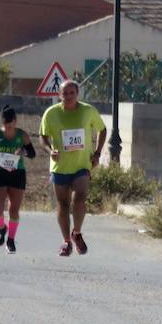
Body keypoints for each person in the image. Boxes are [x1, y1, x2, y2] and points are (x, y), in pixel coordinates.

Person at [40, 80, 107, 256]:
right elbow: (43, 137)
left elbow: (102, 129)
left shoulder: (88, 111)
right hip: (60, 166)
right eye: (65, 93)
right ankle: (66, 242)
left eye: (72, 93)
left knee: (80, 198)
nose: (68, 96)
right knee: (63, 204)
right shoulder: (51, 113)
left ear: (77, 94)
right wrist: (50, 150)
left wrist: (98, 153)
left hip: (82, 165)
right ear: (60, 95)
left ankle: (76, 233)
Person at [0, 105, 36, 253]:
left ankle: (11, 240)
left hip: (17, 173)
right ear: (2, 122)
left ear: (15, 121)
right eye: (5, 123)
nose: (7, 126)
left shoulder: (22, 135)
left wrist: (23, 152)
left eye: (10, 122)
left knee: (14, 210)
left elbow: (32, 153)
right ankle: (2, 227)